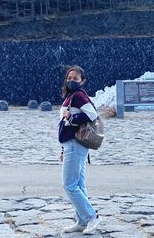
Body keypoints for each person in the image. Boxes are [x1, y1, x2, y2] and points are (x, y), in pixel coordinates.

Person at [58, 65, 102, 234]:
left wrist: (72, 117)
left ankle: (92, 216)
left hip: (76, 144)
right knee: (78, 184)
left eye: (75, 78)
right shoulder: (71, 96)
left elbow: (92, 114)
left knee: (69, 185)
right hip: (73, 144)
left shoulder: (78, 96)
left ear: (82, 81)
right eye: (69, 78)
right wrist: (63, 149)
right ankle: (82, 220)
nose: (71, 80)